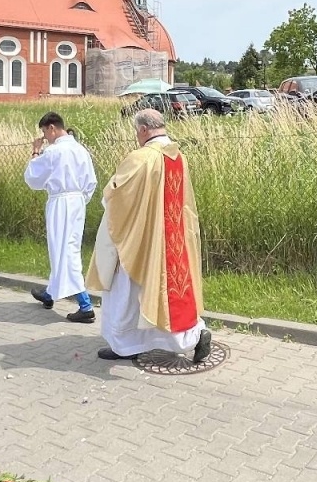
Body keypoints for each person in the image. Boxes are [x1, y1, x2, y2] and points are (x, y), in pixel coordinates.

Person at [85, 108, 211, 364]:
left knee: (126, 292)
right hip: (172, 237)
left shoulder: (141, 158)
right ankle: (194, 335)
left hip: (141, 239)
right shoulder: (178, 155)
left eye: (136, 132)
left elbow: (114, 196)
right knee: (170, 292)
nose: (136, 136)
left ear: (143, 130)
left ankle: (125, 345)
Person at [23, 111, 97, 323]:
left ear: (52, 128)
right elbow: (90, 182)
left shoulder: (54, 151)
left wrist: (36, 152)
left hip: (60, 202)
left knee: (65, 251)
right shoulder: (80, 150)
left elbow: (33, 178)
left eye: (46, 133)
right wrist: (81, 200)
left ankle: (85, 304)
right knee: (64, 248)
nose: (46, 137)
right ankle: (50, 294)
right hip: (77, 202)